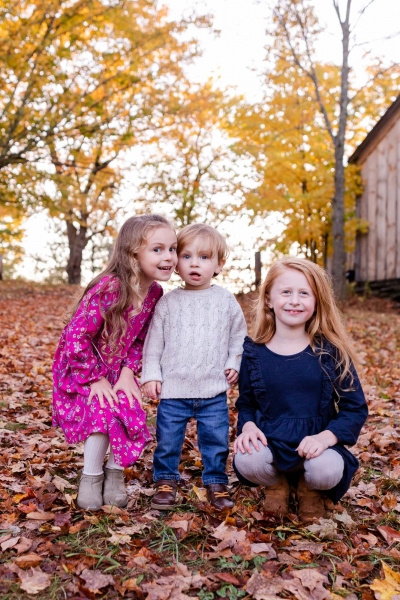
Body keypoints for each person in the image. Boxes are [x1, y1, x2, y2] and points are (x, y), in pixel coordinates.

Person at [52, 215, 178, 510]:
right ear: (133, 252)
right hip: (82, 368)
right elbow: (76, 336)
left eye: (172, 249)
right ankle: (91, 477)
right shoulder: (110, 287)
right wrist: (95, 378)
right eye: (157, 249)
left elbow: (140, 339)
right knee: (101, 410)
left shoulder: (155, 294)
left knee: (127, 405)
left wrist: (126, 373)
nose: (169, 257)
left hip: (117, 368)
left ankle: (115, 474)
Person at [233, 257, 368, 522]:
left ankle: (310, 488)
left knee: (326, 471)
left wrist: (326, 438)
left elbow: (355, 408)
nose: (295, 300)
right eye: (286, 292)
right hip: (272, 443)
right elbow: (247, 404)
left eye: (304, 293)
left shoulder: (331, 352)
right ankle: (277, 484)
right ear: (269, 299)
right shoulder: (253, 354)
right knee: (247, 461)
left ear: (317, 302)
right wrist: (248, 427)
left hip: (318, 448)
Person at [141, 223, 247, 511]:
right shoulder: (168, 302)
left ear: (218, 265)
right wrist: (151, 374)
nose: (194, 264)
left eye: (204, 257)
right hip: (174, 388)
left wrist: (233, 361)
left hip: (212, 388)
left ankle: (216, 481)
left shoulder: (225, 300)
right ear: (177, 264)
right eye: (186, 257)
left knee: (215, 440)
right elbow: (154, 343)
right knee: (168, 440)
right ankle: (165, 480)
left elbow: (239, 336)